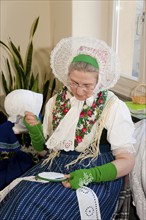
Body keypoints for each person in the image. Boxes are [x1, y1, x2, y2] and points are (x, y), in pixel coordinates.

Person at [0, 37, 136, 220]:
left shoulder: (113, 106)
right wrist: (36, 130)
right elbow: (43, 154)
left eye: (87, 85)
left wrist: (90, 175)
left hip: (97, 174)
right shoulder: (56, 102)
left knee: (31, 203)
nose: (79, 91)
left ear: (100, 80)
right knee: (19, 195)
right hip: (55, 166)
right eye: (73, 83)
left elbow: (127, 161)